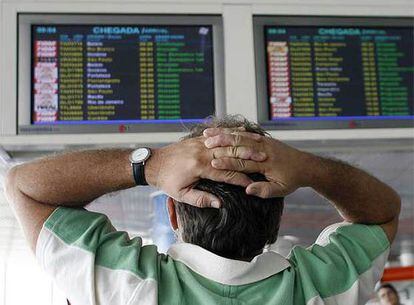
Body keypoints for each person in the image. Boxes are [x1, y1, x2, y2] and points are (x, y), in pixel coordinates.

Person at [4, 116, 400, 305]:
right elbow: (381, 213)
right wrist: (311, 168)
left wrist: (150, 165)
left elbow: (24, 186)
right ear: (276, 220)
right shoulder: (318, 289)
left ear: (173, 215)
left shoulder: (130, 287)